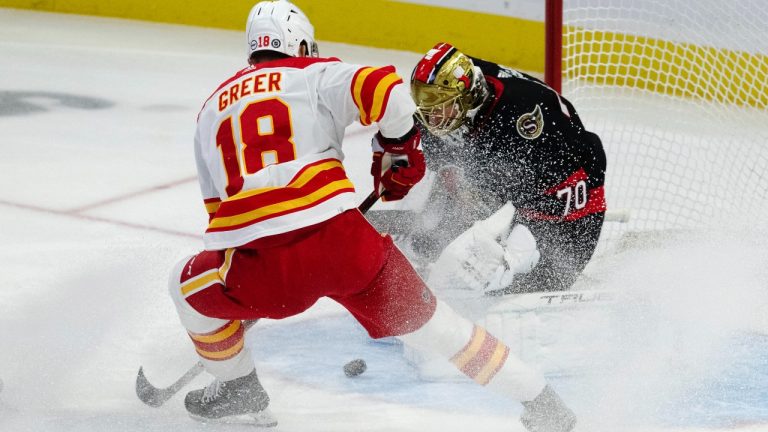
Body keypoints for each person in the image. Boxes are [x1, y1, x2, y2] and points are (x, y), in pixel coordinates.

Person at [167, 2, 576, 431]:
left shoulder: (210, 109)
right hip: (349, 250)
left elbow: (218, 213)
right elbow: (389, 91)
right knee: (443, 329)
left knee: (182, 286)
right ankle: (542, 400)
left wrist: (256, 281)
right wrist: (397, 153)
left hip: (265, 272)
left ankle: (238, 388)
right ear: (301, 44)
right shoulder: (316, 73)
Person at [406, 42, 607, 297]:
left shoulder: (524, 121)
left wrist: (512, 257)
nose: (430, 116)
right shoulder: (466, 86)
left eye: (439, 106)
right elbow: (430, 132)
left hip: (572, 206)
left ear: (465, 96)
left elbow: (562, 188)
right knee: (447, 227)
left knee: (538, 282)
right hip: (518, 178)